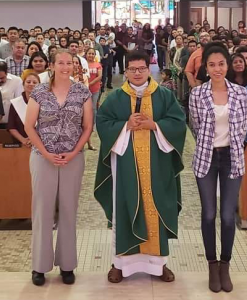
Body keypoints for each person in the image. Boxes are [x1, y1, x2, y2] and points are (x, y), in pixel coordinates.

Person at [95, 50, 186, 284]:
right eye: (132, 69)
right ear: (125, 71)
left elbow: (178, 122)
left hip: (157, 165)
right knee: (124, 207)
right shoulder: (115, 98)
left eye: (141, 69)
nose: (137, 73)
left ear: (149, 68)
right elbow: (103, 123)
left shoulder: (164, 95)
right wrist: (125, 126)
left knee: (155, 208)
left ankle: (158, 265)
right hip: (125, 165)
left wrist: (154, 124)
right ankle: (120, 264)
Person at [24, 49, 93, 286]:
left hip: (73, 158)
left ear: (75, 66)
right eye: (60, 62)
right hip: (43, 158)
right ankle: (39, 267)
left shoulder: (82, 92)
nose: (65, 66)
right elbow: (29, 126)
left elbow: (87, 127)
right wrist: (46, 153)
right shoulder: (40, 91)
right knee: (42, 210)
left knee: (68, 210)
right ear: (51, 65)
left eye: (69, 63)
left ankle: (67, 265)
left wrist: (74, 152)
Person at [189, 45, 247, 293]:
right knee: (208, 214)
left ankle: (225, 264)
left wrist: (229, 146)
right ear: (206, 66)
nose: (217, 69)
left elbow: (243, 127)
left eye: (221, 64)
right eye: (212, 64)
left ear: (228, 65)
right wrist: (209, 144)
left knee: (227, 216)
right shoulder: (197, 94)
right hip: (206, 157)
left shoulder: (240, 93)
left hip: (232, 158)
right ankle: (211, 264)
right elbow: (194, 125)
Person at [0, 61, 23, 125]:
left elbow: (19, 103)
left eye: (2, 78)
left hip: (10, 121)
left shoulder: (17, 81)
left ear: (7, 73)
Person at [8, 72, 40, 146]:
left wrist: (34, 139)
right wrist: (23, 140)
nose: (31, 84)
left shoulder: (45, 103)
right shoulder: (15, 103)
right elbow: (11, 127)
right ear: (23, 85)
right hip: (20, 143)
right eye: (28, 82)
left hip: (41, 143)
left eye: (34, 82)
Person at [86, 47, 102, 150]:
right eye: (89, 53)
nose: (91, 55)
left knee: (93, 109)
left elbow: (99, 76)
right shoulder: (83, 64)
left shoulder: (98, 65)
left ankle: (92, 126)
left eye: (93, 54)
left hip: (95, 89)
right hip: (84, 90)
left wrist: (90, 83)